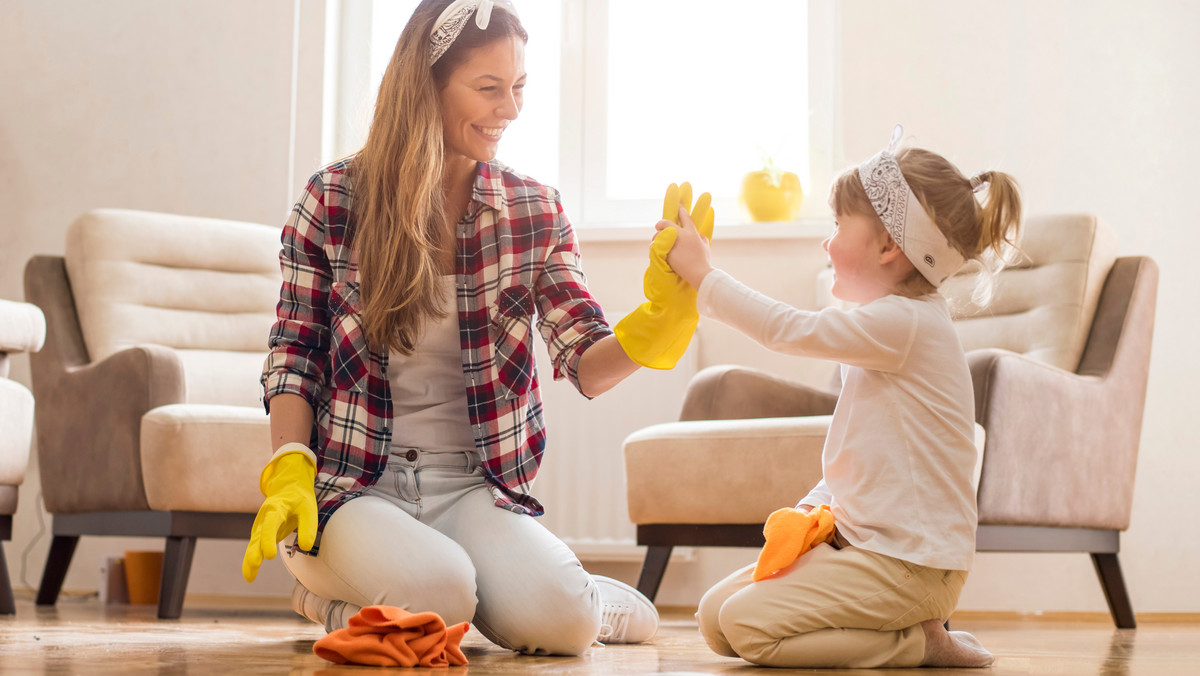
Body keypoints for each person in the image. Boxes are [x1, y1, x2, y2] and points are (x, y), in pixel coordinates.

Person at [240, 0, 699, 657]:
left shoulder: (533, 210)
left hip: (472, 486)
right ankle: (330, 595)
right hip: (354, 485)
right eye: (488, 89)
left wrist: (660, 320)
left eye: (519, 88)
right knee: (443, 593)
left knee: (566, 629)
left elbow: (584, 359)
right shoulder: (334, 199)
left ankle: (563, 594)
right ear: (423, 84)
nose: (509, 109)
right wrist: (289, 468)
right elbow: (294, 353)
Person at [657, 125, 1022, 669]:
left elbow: (790, 329)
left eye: (836, 225)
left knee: (744, 627)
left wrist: (705, 277)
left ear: (888, 246)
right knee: (716, 616)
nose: (826, 243)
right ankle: (898, 630)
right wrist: (813, 510)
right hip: (864, 549)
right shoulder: (888, 331)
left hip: (910, 565)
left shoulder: (907, 323)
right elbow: (866, 451)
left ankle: (916, 643)